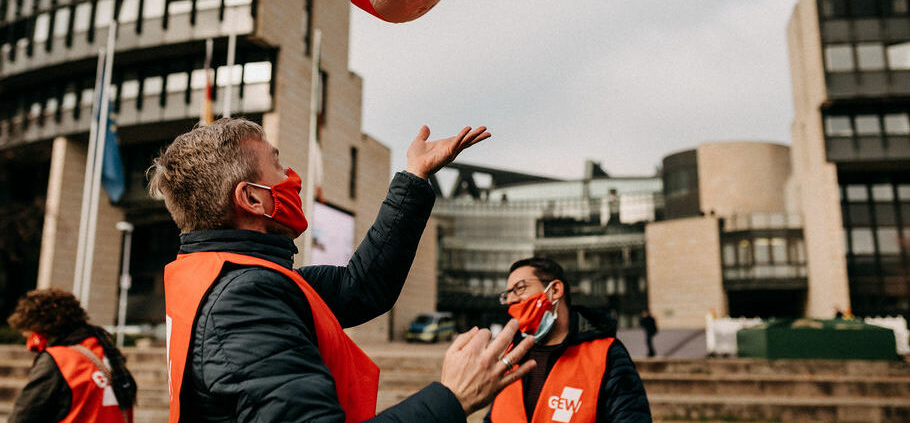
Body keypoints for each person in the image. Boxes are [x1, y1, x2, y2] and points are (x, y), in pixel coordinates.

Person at [150, 118, 536, 423]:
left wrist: (414, 176)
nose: (292, 178)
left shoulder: (232, 278)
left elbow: (362, 286)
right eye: (277, 166)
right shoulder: (242, 300)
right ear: (251, 198)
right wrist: (453, 397)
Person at [486, 257, 651, 423]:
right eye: (506, 295)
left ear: (555, 290)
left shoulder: (607, 354)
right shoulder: (510, 356)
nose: (510, 300)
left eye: (520, 288)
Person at [6, 288, 136, 423]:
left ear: (42, 330)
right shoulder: (107, 353)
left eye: (30, 335)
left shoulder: (60, 360)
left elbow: (23, 416)